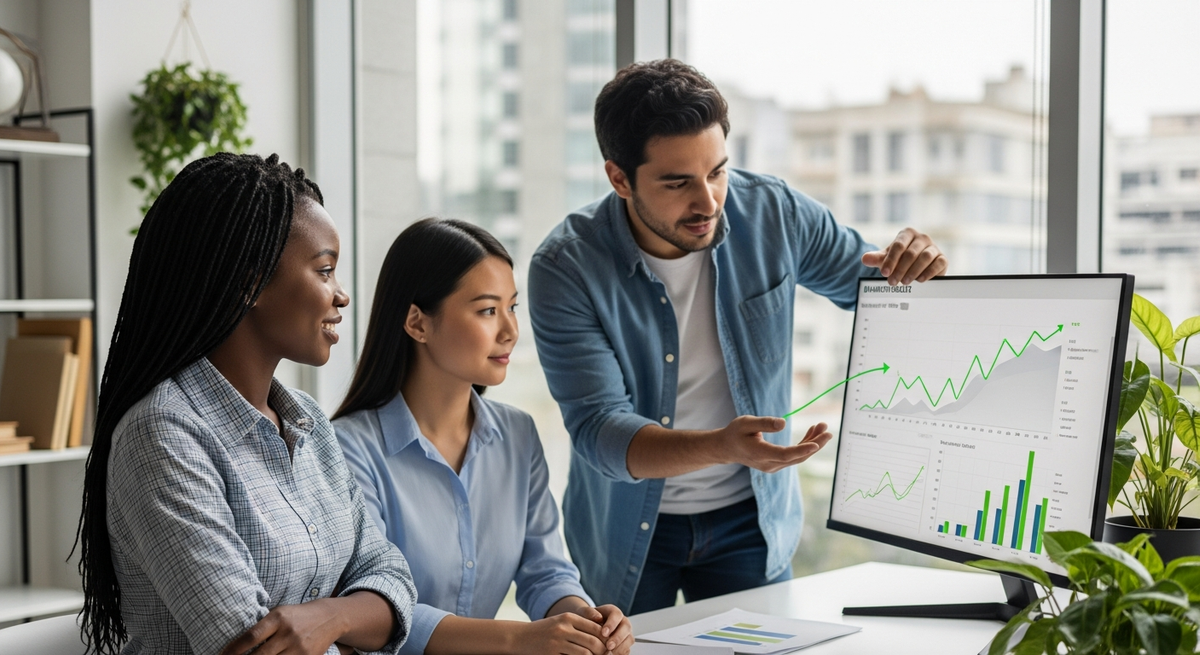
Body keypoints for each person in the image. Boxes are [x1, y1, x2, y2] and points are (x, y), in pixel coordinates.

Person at [527, 59, 949, 614]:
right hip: (624, 532)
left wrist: (919, 261)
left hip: (750, 524)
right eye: (677, 183)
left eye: (717, 172)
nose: (707, 203)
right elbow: (599, 431)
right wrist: (720, 446)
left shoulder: (774, 213)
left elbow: (878, 288)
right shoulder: (566, 267)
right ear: (619, 178)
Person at [76, 153, 417, 655]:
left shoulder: (310, 424)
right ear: (250, 281)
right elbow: (249, 645)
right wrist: (350, 625)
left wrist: (328, 618)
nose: (341, 296)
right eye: (324, 271)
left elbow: (392, 580)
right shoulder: (163, 435)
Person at [332, 218, 634, 655]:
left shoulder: (518, 435)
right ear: (417, 322)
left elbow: (546, 571)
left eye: (513, 307)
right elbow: (375, 606)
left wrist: (586, 624)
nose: (510, 330)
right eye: (488, 310)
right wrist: (520, 639)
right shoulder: (347, 448)